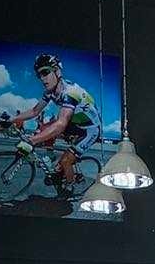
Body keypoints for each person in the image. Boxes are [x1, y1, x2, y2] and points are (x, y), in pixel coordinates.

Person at [21, 53, 103, 194]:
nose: (42, 78)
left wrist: (32, 140)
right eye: (39, 75)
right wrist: (11, 120)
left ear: (57, 72)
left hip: (91, 130)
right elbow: (35, 111)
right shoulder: (50, 92)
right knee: (44, 127)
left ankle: (70, 185)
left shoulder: (71, 92)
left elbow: (60, 125)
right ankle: (51, 156)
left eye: (45, 72)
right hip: (76, 123)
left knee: (65, 161)